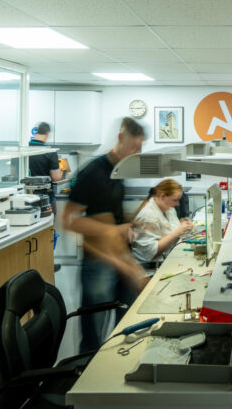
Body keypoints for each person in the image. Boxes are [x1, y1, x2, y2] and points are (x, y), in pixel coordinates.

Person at [61, 117, 149, 353]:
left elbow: (109, 213)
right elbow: (68, 220)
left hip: (120, 256)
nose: (136, 152)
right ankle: (85, 381)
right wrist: (112, 230)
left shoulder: (120, 171)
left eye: (140, 148)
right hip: (98, 262)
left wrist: (134, 222)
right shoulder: (92, 172)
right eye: (133, 147)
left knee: (128, 327)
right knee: (94, 337)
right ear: (120, 138)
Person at [131, 179, 195, 271]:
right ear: (162, 196)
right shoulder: (148, 215)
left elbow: (170, 228)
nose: (177, 204)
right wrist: (178, 231)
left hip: (166, 259)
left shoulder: (167, 207)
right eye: (175, 200)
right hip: (148, 270)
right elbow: (152, 252)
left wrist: (183, 223)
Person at [28, 122, 62, 213]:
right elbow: (56, 177)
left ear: (37, 131)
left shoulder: (23, 149)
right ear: (47, 133)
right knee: (48, 221)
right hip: (45, 195)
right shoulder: (50, 152)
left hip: (26, 195)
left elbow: (14, 172)